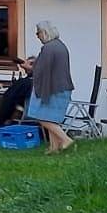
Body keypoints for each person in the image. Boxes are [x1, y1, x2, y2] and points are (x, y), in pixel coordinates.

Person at [26, 21, 76, 154]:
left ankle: (66, 140)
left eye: (38, 33)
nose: (37, 36)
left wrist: (29, 67)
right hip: (63, 87)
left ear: (45, 32)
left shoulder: (48, 48)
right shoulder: (60, 45)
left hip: (53, 88)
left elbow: (42, 70)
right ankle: (54, 148)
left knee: (42, 117)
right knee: (52, 118)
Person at [0, 56, 35, 129]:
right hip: (38, 114)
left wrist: (4, 116)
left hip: (22, 112)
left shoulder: (24, 82)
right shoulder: (44, 82)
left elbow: (9, 98)